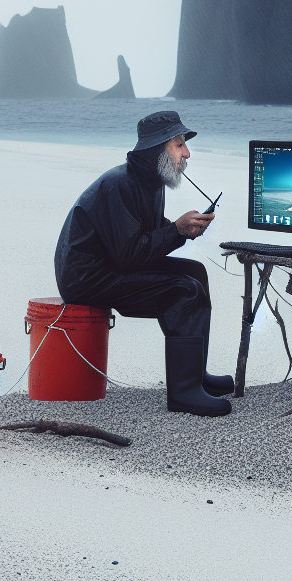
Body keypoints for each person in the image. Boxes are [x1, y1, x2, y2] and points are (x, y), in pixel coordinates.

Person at [54, 110, 232, 416]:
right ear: (157, 149)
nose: (187, 153)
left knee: (195, 273)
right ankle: (184, 393)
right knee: (183, 291)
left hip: (111, 264)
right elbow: (130, 256)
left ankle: (194, 374)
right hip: (86, 279)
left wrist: (182, 231)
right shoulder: (120, 184)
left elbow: (142, 232)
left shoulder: (150, 180)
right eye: (179, 145)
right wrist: (175, 230)